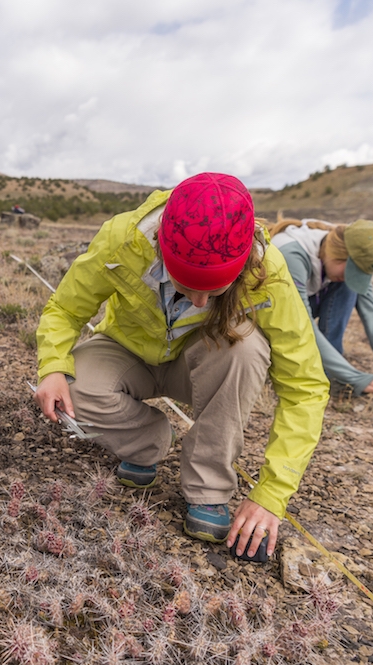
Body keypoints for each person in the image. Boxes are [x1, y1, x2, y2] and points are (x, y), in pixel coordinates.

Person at [33, 173, 328, 560]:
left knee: (247, 347)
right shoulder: (125, 238)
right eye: (187, 286)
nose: (201, 303)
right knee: (74, 385)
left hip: (202, 365)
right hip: (127, 351)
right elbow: (65, 309)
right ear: (161, 246)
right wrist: (52, 367)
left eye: (215, 290)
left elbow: (305, 387)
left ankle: (208, 488)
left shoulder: (268, 272)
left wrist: (271, 495)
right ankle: (148, 442)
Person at [270, 217, 373, 399]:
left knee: (350, 286)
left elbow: (369, 307)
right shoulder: (292, 255)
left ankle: (329, 374)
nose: (350, 277)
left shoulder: (343, 245)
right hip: (268, 315)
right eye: (350, 271)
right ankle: (317, 371)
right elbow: (302, 325)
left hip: (300, 305)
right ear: (337, 254)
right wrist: (354, 377)